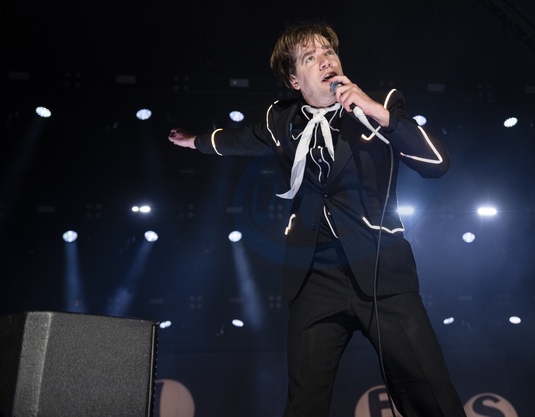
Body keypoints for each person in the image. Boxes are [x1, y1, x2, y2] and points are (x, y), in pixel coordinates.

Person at [169, 21, 467, 417]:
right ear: (294, 80)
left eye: (329, 52)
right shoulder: (282, 120)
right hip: (314, 275)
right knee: (305, 402)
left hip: (380, 269)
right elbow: (239, 139)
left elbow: (437, 163)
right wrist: (195, 142)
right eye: (310, 57)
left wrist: (375, 112)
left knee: (428, 392)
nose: (325, 60)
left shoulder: (380, 103)